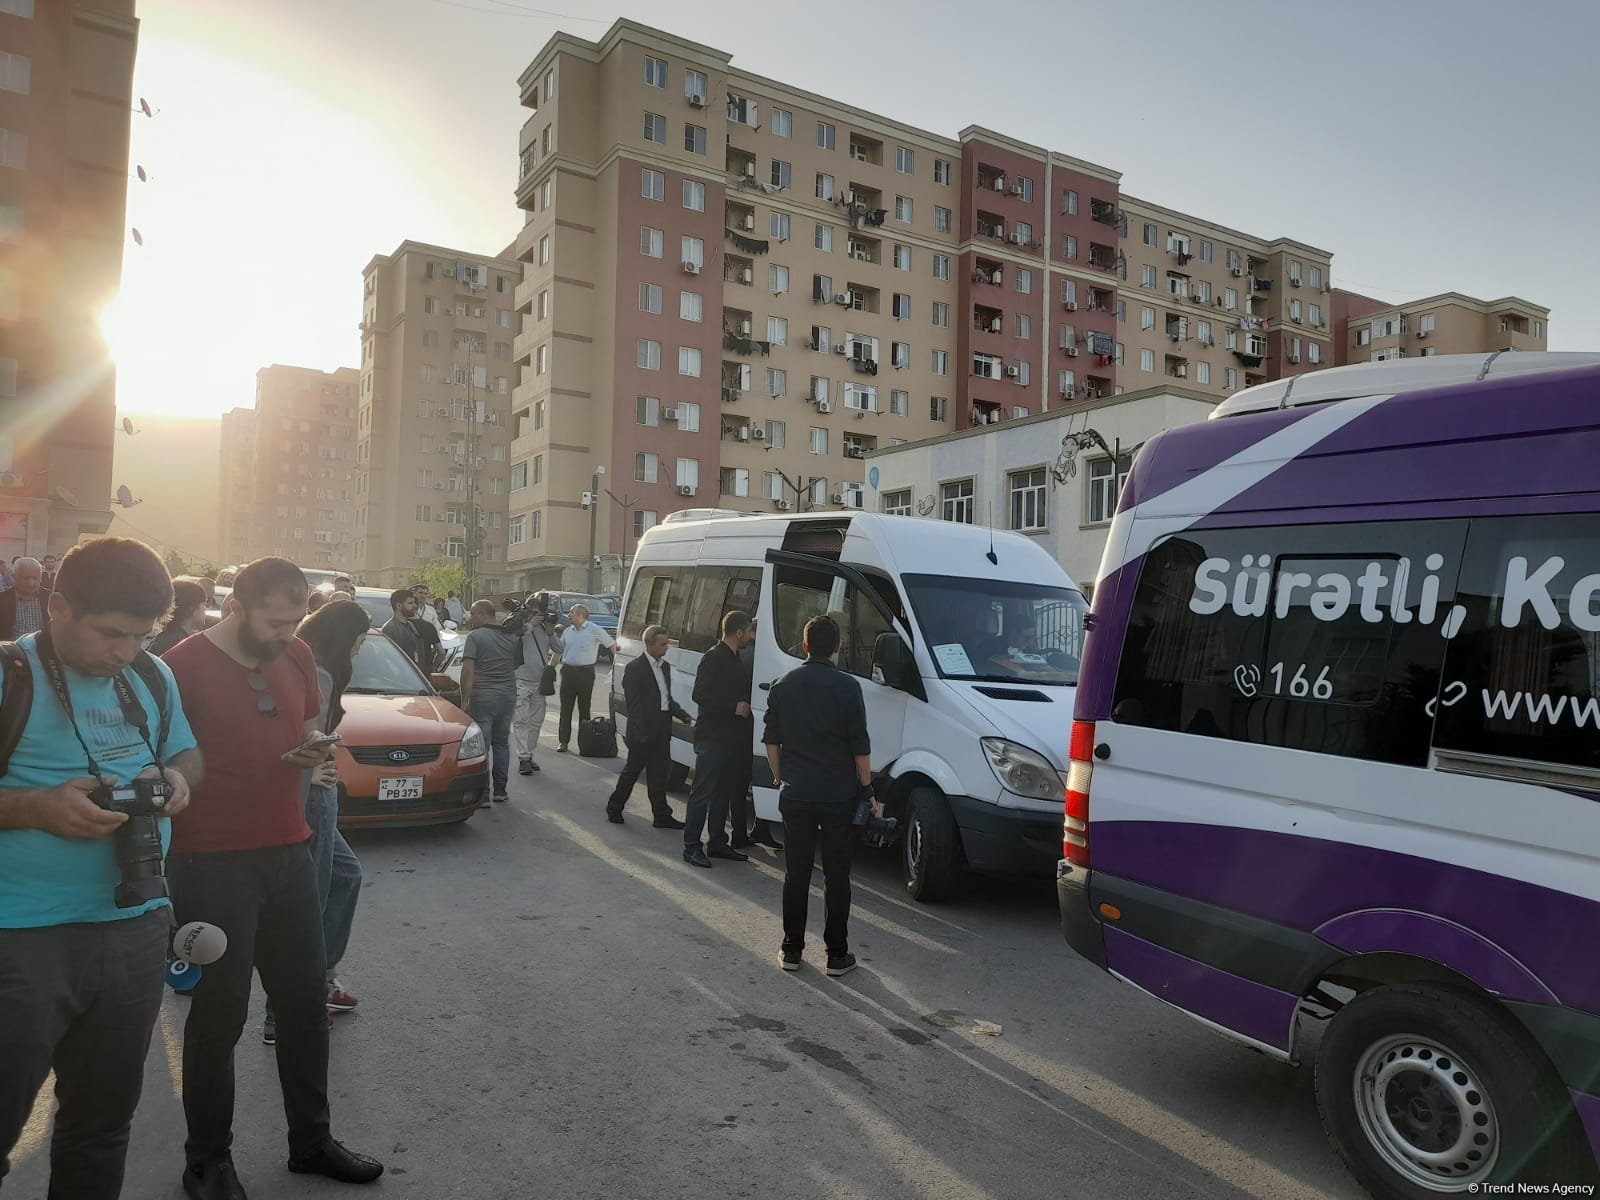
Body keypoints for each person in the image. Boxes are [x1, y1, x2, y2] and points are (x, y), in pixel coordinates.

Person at [163, 558, 383, 1197]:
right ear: (237, 607)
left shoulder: (296, 654)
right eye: (274, 622)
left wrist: (314, 753)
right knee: (219, 1017)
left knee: (303, 1001)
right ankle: (207, 1160)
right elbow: (167, 761)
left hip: (290, 851)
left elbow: (308, 726)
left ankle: (311, 1142)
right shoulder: (181, 667)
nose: (287, 634)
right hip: (212, 863)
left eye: (294, 622)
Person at [0, 538, 202, 1199]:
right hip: (20, 939)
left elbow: (189, 757)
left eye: (141, 635)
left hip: (136, 927)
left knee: (102, 1126)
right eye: (112, 633)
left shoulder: (149, 673)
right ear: (57, 607)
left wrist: (175, 779)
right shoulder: (12, 677)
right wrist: (35, 808)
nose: (126, 651)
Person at [261, 598, 367, 1045]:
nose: (360, 652)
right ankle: (284, 1013)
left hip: (310, 792)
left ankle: (320, 979)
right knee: (310, 901)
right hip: (313, 800)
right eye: (359, 642)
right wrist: (313, 770)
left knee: (344, 876)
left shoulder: (303, 665)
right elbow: (301, 742)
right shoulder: (319, 673)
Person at [762, 615, 872, 976]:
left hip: (797, 792)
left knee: (796, 873)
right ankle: (837, 955)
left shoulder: (782, 685)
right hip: (838, 794)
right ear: (837, 647)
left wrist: (781, 778)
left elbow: (772, 742)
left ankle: (791, 950)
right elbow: (860, 746)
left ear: (804, 644)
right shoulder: (848, 687)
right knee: (837, 877)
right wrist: (867, 788)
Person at [683, 611, 757, 868]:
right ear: (738, 633)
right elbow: (699, 694)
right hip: (712, 736)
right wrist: (733, 708)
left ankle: (717, 842)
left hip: (731, 738)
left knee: (722, 794)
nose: (752, 636)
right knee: (702, 792)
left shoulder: (736, 658)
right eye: (749, 631)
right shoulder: (714, 657)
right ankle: (691, 846)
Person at [606, 625, 689, 827]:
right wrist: (641, 731)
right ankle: (614, 807)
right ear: (650, 644)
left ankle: (661, 815)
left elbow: (665, 698)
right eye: (662, 644)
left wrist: (682, 714)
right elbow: (634, 704)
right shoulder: (635, 668)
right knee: (632, 771)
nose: (666, 647)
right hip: (642, 730)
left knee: (659, 774)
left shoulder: (665, 667)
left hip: (662, 727)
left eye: (667, 643)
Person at [459, 599, 520, 805]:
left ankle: (483, 794)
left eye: (473, 614)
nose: (470, 618)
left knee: (482, 746)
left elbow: (468, 671)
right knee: (501, 743)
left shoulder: (475, 637)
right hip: (507, 696)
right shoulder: (511, 636)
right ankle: (500, 791)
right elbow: (515, 664)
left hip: (483, 696)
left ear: (483, 614)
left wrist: (464, 700)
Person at [555, 604, 613, 753]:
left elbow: (612, 645)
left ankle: (585, 743)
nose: (569, 615)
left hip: (585, 673)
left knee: (584, 708)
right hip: (568, 672)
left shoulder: (594, 629)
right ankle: (563, 742)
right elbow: (557, 652)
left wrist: (616, 665)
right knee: (565, 709)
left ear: (580, 615)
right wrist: (550, 668)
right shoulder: (567, 632)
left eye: (571, 613)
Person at [512, 598, 558, 775]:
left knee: (536, 721)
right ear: (528, 612)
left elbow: (559, 648)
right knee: (521, 720)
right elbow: (513, 639)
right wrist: (530, 625)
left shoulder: (546, 629)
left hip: (540, 682)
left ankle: (529, 754)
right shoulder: (519, 625)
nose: (539, 616)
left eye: (541, 613)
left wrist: (551, 632)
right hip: (521, 680)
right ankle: (523, 758)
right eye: (535, 613)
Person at [149, 578, 211, 657]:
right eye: (204, 605)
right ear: (192, 609)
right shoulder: (182, 645)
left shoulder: (163, 639)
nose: (206, 609)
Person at [0, 557, 49, 640]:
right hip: (11, 650)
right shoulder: (2, 600)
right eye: (26, 578)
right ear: (13, 577)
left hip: (43, 650)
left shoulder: (50, 597)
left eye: (35, 578)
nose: (31, 583)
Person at [381, 588, 427, 675]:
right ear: (398, 606)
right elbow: (390, 660)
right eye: (410, 603)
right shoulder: (390, 629)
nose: (415, 606)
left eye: (414, 602)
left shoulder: (410, 625)